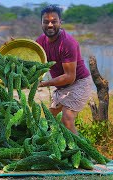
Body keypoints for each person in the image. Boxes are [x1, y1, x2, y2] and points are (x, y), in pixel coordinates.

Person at [36, 5, 92, 134]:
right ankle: (57, 150)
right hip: (62, 86)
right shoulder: (40, 41)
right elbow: (32, 58)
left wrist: (44, 83)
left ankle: (80, 152)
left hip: (79, 82)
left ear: (60, 22)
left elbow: (69, 77)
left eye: (54, 21)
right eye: (46, 21)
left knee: (67, 120)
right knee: (50, 119)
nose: (50, 25)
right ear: (41, 23)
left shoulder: (67, 43)